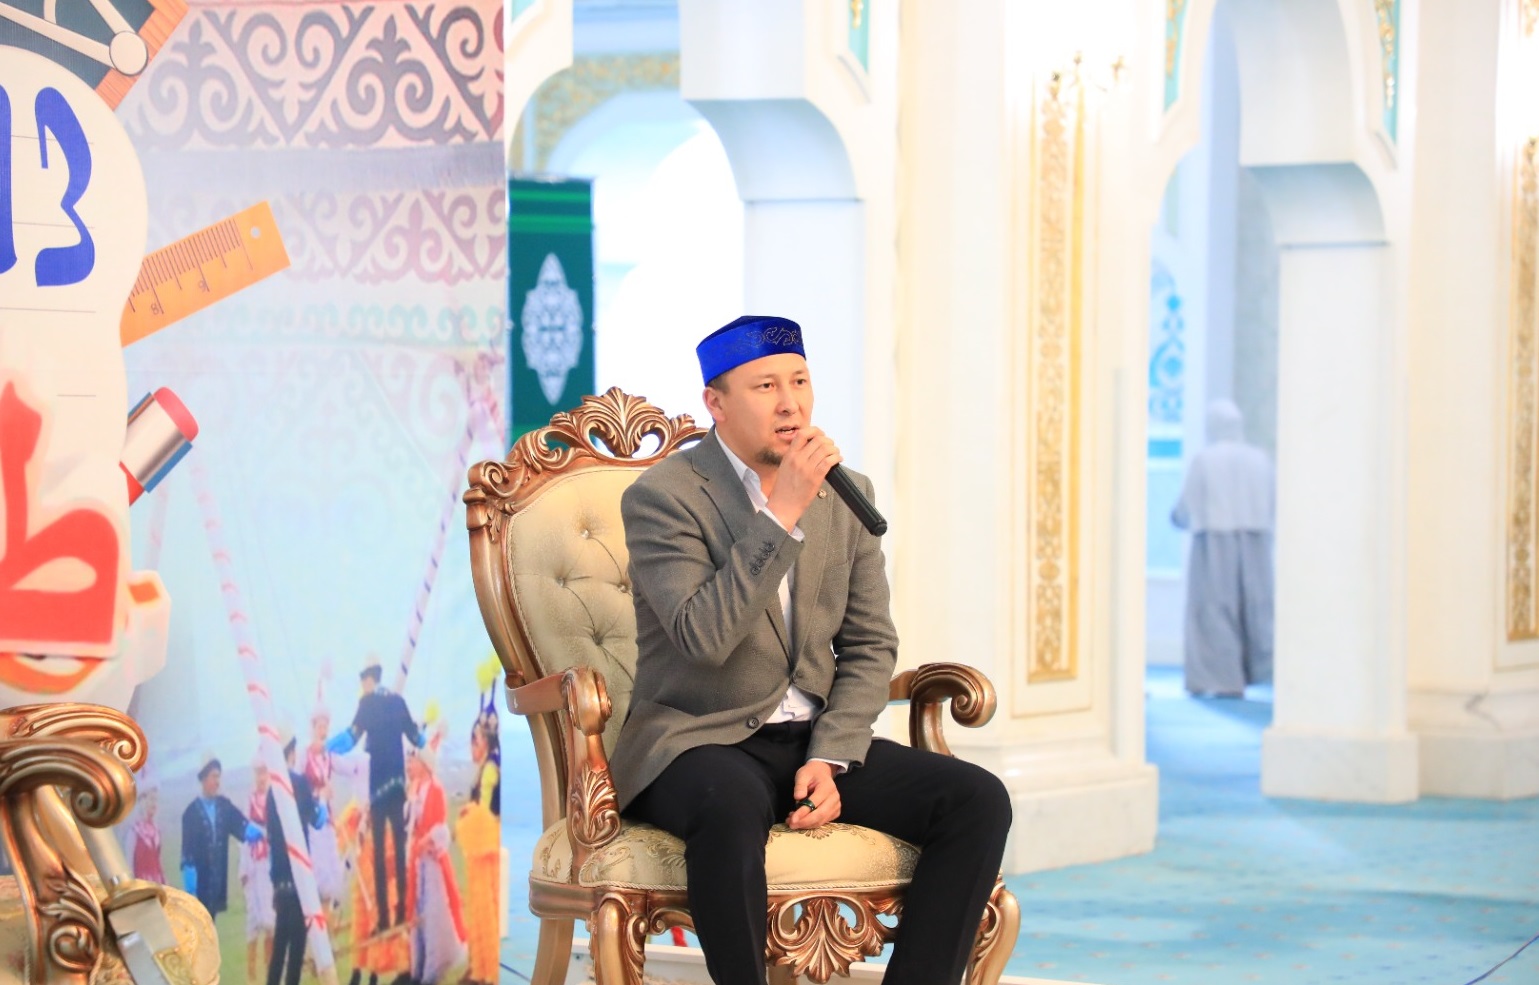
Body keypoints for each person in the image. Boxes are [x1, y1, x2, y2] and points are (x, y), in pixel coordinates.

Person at [609, 315, 1013, 985]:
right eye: (766, 385)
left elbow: (870, 642)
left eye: (799, 381)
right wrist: (780, 516)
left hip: (810, 740)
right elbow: (702, 638)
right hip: (698, 740)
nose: (790, 403)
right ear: (716, 402)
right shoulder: (662, 498)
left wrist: (832, 753)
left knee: (976, 799)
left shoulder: (846, 492)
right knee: (728, 804)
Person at [1171, 398, 1275, 697]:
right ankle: (1260, 672)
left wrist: (1178, 519)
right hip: (1256, 541)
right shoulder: (1260, 459)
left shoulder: (1205, 460)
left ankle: (1219, 679)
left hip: (1214, 542)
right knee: (1255, 607)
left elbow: (1187, 506)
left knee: (1214, 609)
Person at [327, 656, 424, 933]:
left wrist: (326, 747)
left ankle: (383, 919)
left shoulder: (367, 703)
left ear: (369, 679)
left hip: (379, 789)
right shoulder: (398, 701)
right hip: (398, 787)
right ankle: (402, 913)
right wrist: (427, 741)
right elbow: (415, 736)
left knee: (380, 854)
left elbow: (351, 737)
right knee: (400, 851)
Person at [404, 735, 467, 983]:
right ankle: (418, 966)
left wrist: (426, 841)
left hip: (431, 863)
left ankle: (434, 965)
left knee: (433, 912)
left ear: (423, 763)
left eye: (413, 761)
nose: (409, 765)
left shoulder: (436, 789)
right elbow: (408, 823)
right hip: (417, 860)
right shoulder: (414, 789)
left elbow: (440, 827)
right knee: (417, 911)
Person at [266, 725, 324, 985]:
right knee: (297, 945)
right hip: (300, 879)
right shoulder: (299, 783)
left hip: (281, 879)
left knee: (280, 946)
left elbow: (271, 838)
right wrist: (322, 801)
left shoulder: (271, 791)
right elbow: (317, 819)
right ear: (291, 751)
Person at [454, 689, 501, 985]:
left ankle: (485, 971)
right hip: (481, 850)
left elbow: (485, 812)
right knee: (478, 908)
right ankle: (477, 966)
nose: (472, 747)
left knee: (485, 909)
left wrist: (469, 812)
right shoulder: (485, 767)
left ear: (482, 740)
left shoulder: (490, 769)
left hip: (487, 849)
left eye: (474, 740)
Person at [180, 754, 262, 920]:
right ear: (204, 778)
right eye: (213, 777)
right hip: (200, 884)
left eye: (219, 777)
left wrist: (265, 832)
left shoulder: (224, 806)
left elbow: (243, 826)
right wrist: (191, 888)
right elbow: (187, 854)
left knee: (212, 922)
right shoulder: (191, 813)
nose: (217, 782)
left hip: (217, 882)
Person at [242, 756, 276, 985]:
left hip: (270, 863)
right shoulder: (250, 800)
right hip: (254, 864)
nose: (261, 777)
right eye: (258, 772)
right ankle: (252, 977)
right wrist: (244, 868)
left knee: (270, 921)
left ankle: (269, 973)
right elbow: (245, 836)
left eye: (264, 772)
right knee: (254, 921)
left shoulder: (274, 798)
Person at [128, 783, 165, 884]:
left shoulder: (157, 831)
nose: (154, 804)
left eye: (156, 800)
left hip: (157, 882)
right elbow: (129, 863)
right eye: (152, 799)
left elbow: (159, 862)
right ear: (143, 801)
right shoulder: (134, 831)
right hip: (142, 883)